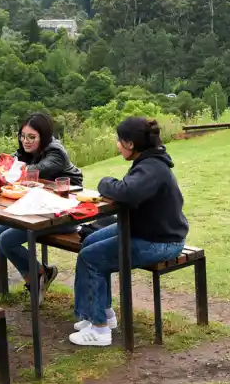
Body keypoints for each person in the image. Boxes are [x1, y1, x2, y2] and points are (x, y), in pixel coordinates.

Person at [68, 117, 188, 347]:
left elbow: (127, 192)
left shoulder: (152, 168)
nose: (117, 144)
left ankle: (100, 331)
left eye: (119, 140)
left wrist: (105, 182)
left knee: (91, 257)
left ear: (130, 144)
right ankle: (101, 313)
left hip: (161, 240)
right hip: (146, 230)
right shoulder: (150, 162)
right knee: (90, 241)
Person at [0, 112, 83, 305]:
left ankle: (37, 278)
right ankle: (39, 274)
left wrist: (7, 170)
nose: (26, 141)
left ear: (44, 136)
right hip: (39, 210)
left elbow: (32, 172)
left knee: (6, 240)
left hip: (64, 215)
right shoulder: (28, 150)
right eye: (23, 136)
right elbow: (10, 163)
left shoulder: (56, 152)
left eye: (32, 137)